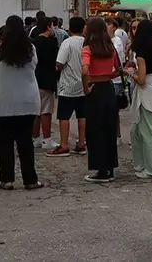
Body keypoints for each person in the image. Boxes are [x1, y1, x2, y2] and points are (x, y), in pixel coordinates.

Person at [0, 17, 43, 190]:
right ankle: (30, 180)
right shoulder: (30, 49)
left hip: (2, 100)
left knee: (4, 142)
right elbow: (34, 66)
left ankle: (7, 180)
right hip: (26, 100)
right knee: (25, 141)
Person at [81, 17, 121, 182]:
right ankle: (110, 168)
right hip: (109, 88)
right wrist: (107, 75)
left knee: (95, 130)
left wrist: (86, 87)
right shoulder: (110, 48)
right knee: (109, 128)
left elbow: (85, 71)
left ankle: (100, 169)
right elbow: (118, 69)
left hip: (95, 90)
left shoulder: (87, 49)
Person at [127, 19, 152, 179]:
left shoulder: (141, 52)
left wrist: (131, 73)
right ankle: (146, 165)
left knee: (148, 131)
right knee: (141, 130)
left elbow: (141, 79)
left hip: (146, 92)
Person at [47, 17, 87, 157]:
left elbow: (59, 63)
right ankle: (81, 143)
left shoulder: (67, 43)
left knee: (64, 116)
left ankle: (64, 145)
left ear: (70, 28)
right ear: (83, 28)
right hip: (83, 84)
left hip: (68, 85)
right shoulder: (86, 43)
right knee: (82, 116)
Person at [32, 17, 60, 150]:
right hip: (47, 79)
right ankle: (47, 139)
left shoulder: (35, 42)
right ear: (48, 27)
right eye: (52, 26)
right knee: (46, 111)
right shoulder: (51, 42)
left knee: (36, 111)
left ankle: (36, 138)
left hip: (35, 78)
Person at [106, 16, 129, 145]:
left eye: (108, 24)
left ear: (114, 27)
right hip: (108, 78)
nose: (106, 27)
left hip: (114, 79)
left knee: (113, 110)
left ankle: (117, 136)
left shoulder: (117, 41)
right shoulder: (108, 40)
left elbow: (117, 59)